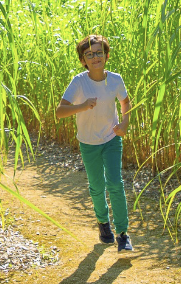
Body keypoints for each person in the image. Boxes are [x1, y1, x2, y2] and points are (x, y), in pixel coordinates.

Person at [55, 34, 133, 251]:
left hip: (111, 139)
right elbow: (60, 112)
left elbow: (126, 102)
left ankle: (123, 234)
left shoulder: (115, 79)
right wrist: (82, 106)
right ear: (83, 60)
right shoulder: (79, 82)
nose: (95, 57)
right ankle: (103, 223)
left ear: (106, 56)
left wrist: (124, 125)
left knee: (115, 184)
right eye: (89, 54)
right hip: (88, 142)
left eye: (99, 52)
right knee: (97, 187)